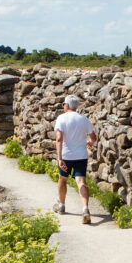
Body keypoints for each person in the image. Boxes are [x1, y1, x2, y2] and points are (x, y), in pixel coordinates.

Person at [54, 94, 97, 224]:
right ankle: (85, 209)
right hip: (81, 156)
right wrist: (90, 142)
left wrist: (59, 158)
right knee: (81, 182)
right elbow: (94, 137)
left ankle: (61, 205)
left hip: (67, 155)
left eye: (63, 104)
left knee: (63, 179)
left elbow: (59, 138)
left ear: (67, 105)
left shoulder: (61, 118)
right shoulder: (83, 119)